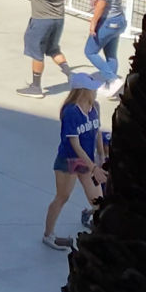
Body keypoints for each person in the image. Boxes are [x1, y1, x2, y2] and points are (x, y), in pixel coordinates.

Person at [43, 74, 106, 251]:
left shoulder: (95, 107)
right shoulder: (71, 112)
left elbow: (97, 131)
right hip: (69, 160)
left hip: (87, 161)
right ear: (84, 91)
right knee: (62, 197)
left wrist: (101, 156)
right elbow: (74, 144)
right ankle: (48, 235)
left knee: (99, 200)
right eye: (93, 89)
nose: (96, 91)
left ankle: (88, 215)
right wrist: (93, 168)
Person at [6, 0, 73, 96]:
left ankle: (36, 87)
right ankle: (71, 75)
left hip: (40, 21)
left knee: (37, 53)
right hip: (59, 19)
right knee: (53, 49)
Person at [86, 0, 129, 96]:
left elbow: (101, 5)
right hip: (118, 21)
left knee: (90, 51)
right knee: (110, 54)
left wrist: (93, 22)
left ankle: (112, 79)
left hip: (108, 22)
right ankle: (111, 86)